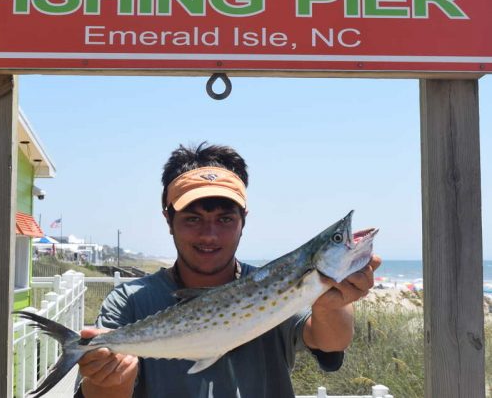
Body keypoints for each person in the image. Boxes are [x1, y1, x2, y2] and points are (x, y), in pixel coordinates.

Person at [77, 143, 381, 398]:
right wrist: (110, 377)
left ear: (243, 220)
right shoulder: (129, 301)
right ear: (168, 220)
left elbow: (330, 342)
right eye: (193, 219)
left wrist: (332, 305)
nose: (210, 235)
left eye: (225, 219)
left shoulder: (271, 286)